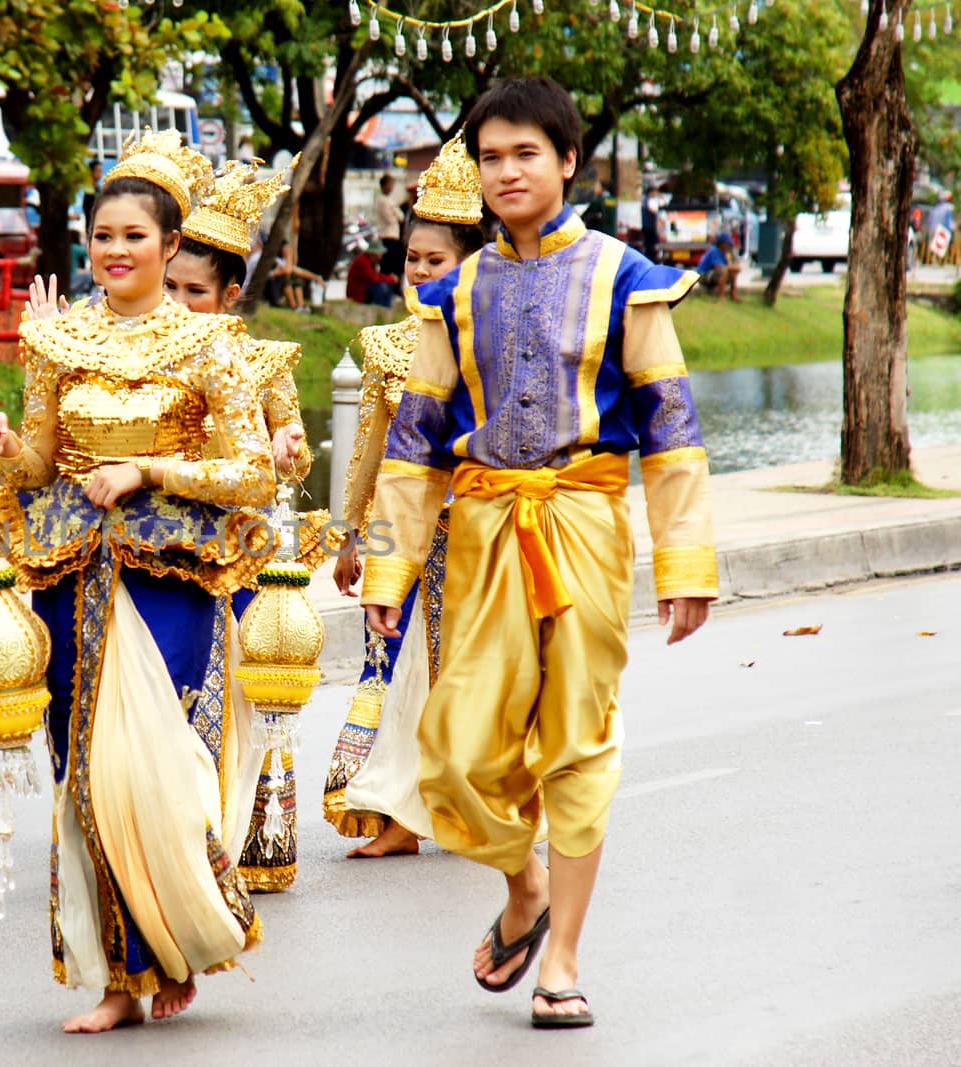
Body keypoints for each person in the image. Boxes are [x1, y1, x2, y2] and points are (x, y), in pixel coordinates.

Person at [360, 76, 716, 1029]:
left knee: (578, 740)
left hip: (588, 527)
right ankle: (526, 886)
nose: (508, 171)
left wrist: (685, 565)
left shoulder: (628, 276)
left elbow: (672, 432)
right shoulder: (452, 295)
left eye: (527, 153)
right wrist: (388, 569)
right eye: (491, 157)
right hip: (480, 536)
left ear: (567, 161)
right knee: (451, 752)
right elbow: (412, 446)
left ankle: (561, 959)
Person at [0, 130, 271, 1033]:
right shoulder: (56, 342)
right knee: (84, 776)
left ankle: (182, 933)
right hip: (71, 568)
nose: (114, 251)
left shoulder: (210, 346)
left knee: (158, 769)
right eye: (101, 235)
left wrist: (151, 473)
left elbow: (253, 472)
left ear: (172, 247)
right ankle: (116, 975)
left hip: (167, 572)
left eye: (134, 237)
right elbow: (37, 468)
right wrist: (3, 448)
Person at [325, 132, 485, 859]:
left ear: (469, 264)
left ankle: (486, 807)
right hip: (408, 535)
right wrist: (351, 537)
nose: (419, 272)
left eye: (435, 261)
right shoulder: (387, 347)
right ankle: (400, 815)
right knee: (403, 675)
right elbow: (370, 455)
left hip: (487, 527)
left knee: (485, 672)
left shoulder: (493, 333)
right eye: (412, 260)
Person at [164, 157, 313, 892]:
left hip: (242, 542)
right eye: (172, 287)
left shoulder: (261, 362)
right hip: (168, 538)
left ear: (229, 296)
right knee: (182, 688)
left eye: (196, 291)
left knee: (243, 694)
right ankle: (182, 833)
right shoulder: (147, 353)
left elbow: (294, 448)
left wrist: (287, 451)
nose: (181, 301)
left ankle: (243, 834)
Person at [346, 238, 398, 307]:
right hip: (359, 292)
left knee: (388, 285)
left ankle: (386, 308)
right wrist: (390, 278)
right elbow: (373, 278)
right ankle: (380, 308)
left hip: (365, 288)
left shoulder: (370, 261)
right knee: (380, 287)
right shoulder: (363, 261)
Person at [270, 239, 319, 310]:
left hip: (277, 283)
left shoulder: (283, 261)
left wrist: (316, 277)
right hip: (271, 286)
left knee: (297, 276)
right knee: (287, 277)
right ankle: (293, 306)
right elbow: (287, 271)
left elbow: (300, 271)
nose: (289, 250)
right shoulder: (276, 260)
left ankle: (300, 306)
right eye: (287, 249)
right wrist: (288, 256)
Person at [696, 232, 741, 301]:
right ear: (722, 243)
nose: (729, 246)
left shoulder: (725, 252)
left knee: (733, 273)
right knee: (724, 271)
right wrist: (734, 267)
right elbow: (719, 267)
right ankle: (721, 296)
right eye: (727, 244)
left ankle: (733, 295)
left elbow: (732, 264)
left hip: (713, 274)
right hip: (703, 275)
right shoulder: (714, 250)